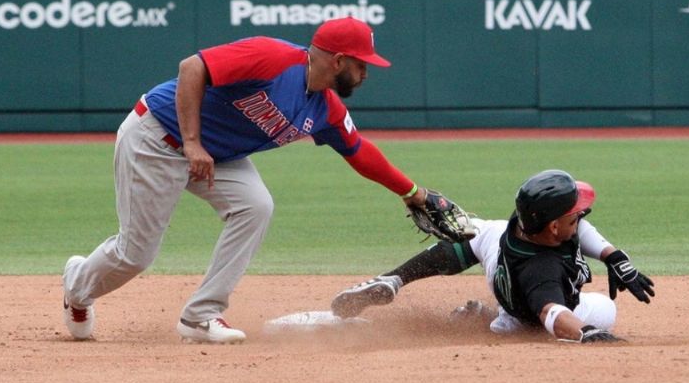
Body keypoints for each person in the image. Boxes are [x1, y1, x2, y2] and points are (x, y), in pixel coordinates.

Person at [63, 17, 429, 344]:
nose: (366, 73)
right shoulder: (272, 57)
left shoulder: (326, 108)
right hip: (159, 136)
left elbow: (360, 151)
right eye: (361, 64)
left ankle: (200, 315)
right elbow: (192, 68)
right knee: (135, 254)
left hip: (215, 155)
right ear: (337, 61)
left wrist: (412, 192)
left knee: (255, 206)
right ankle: (78, 286)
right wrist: (191, 142)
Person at [330, 169, 655, 343]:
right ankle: (494, 320)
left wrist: (613, 256)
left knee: (473, 236)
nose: (580, 217)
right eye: (574, 215)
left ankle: (395, 278)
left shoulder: (521, 226)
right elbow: (551, 312)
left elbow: (575, 228)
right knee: (603, 309)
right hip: (525, 305)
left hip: (497, 256)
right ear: (554, 227)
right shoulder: (542, 271)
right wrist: (586, 333)